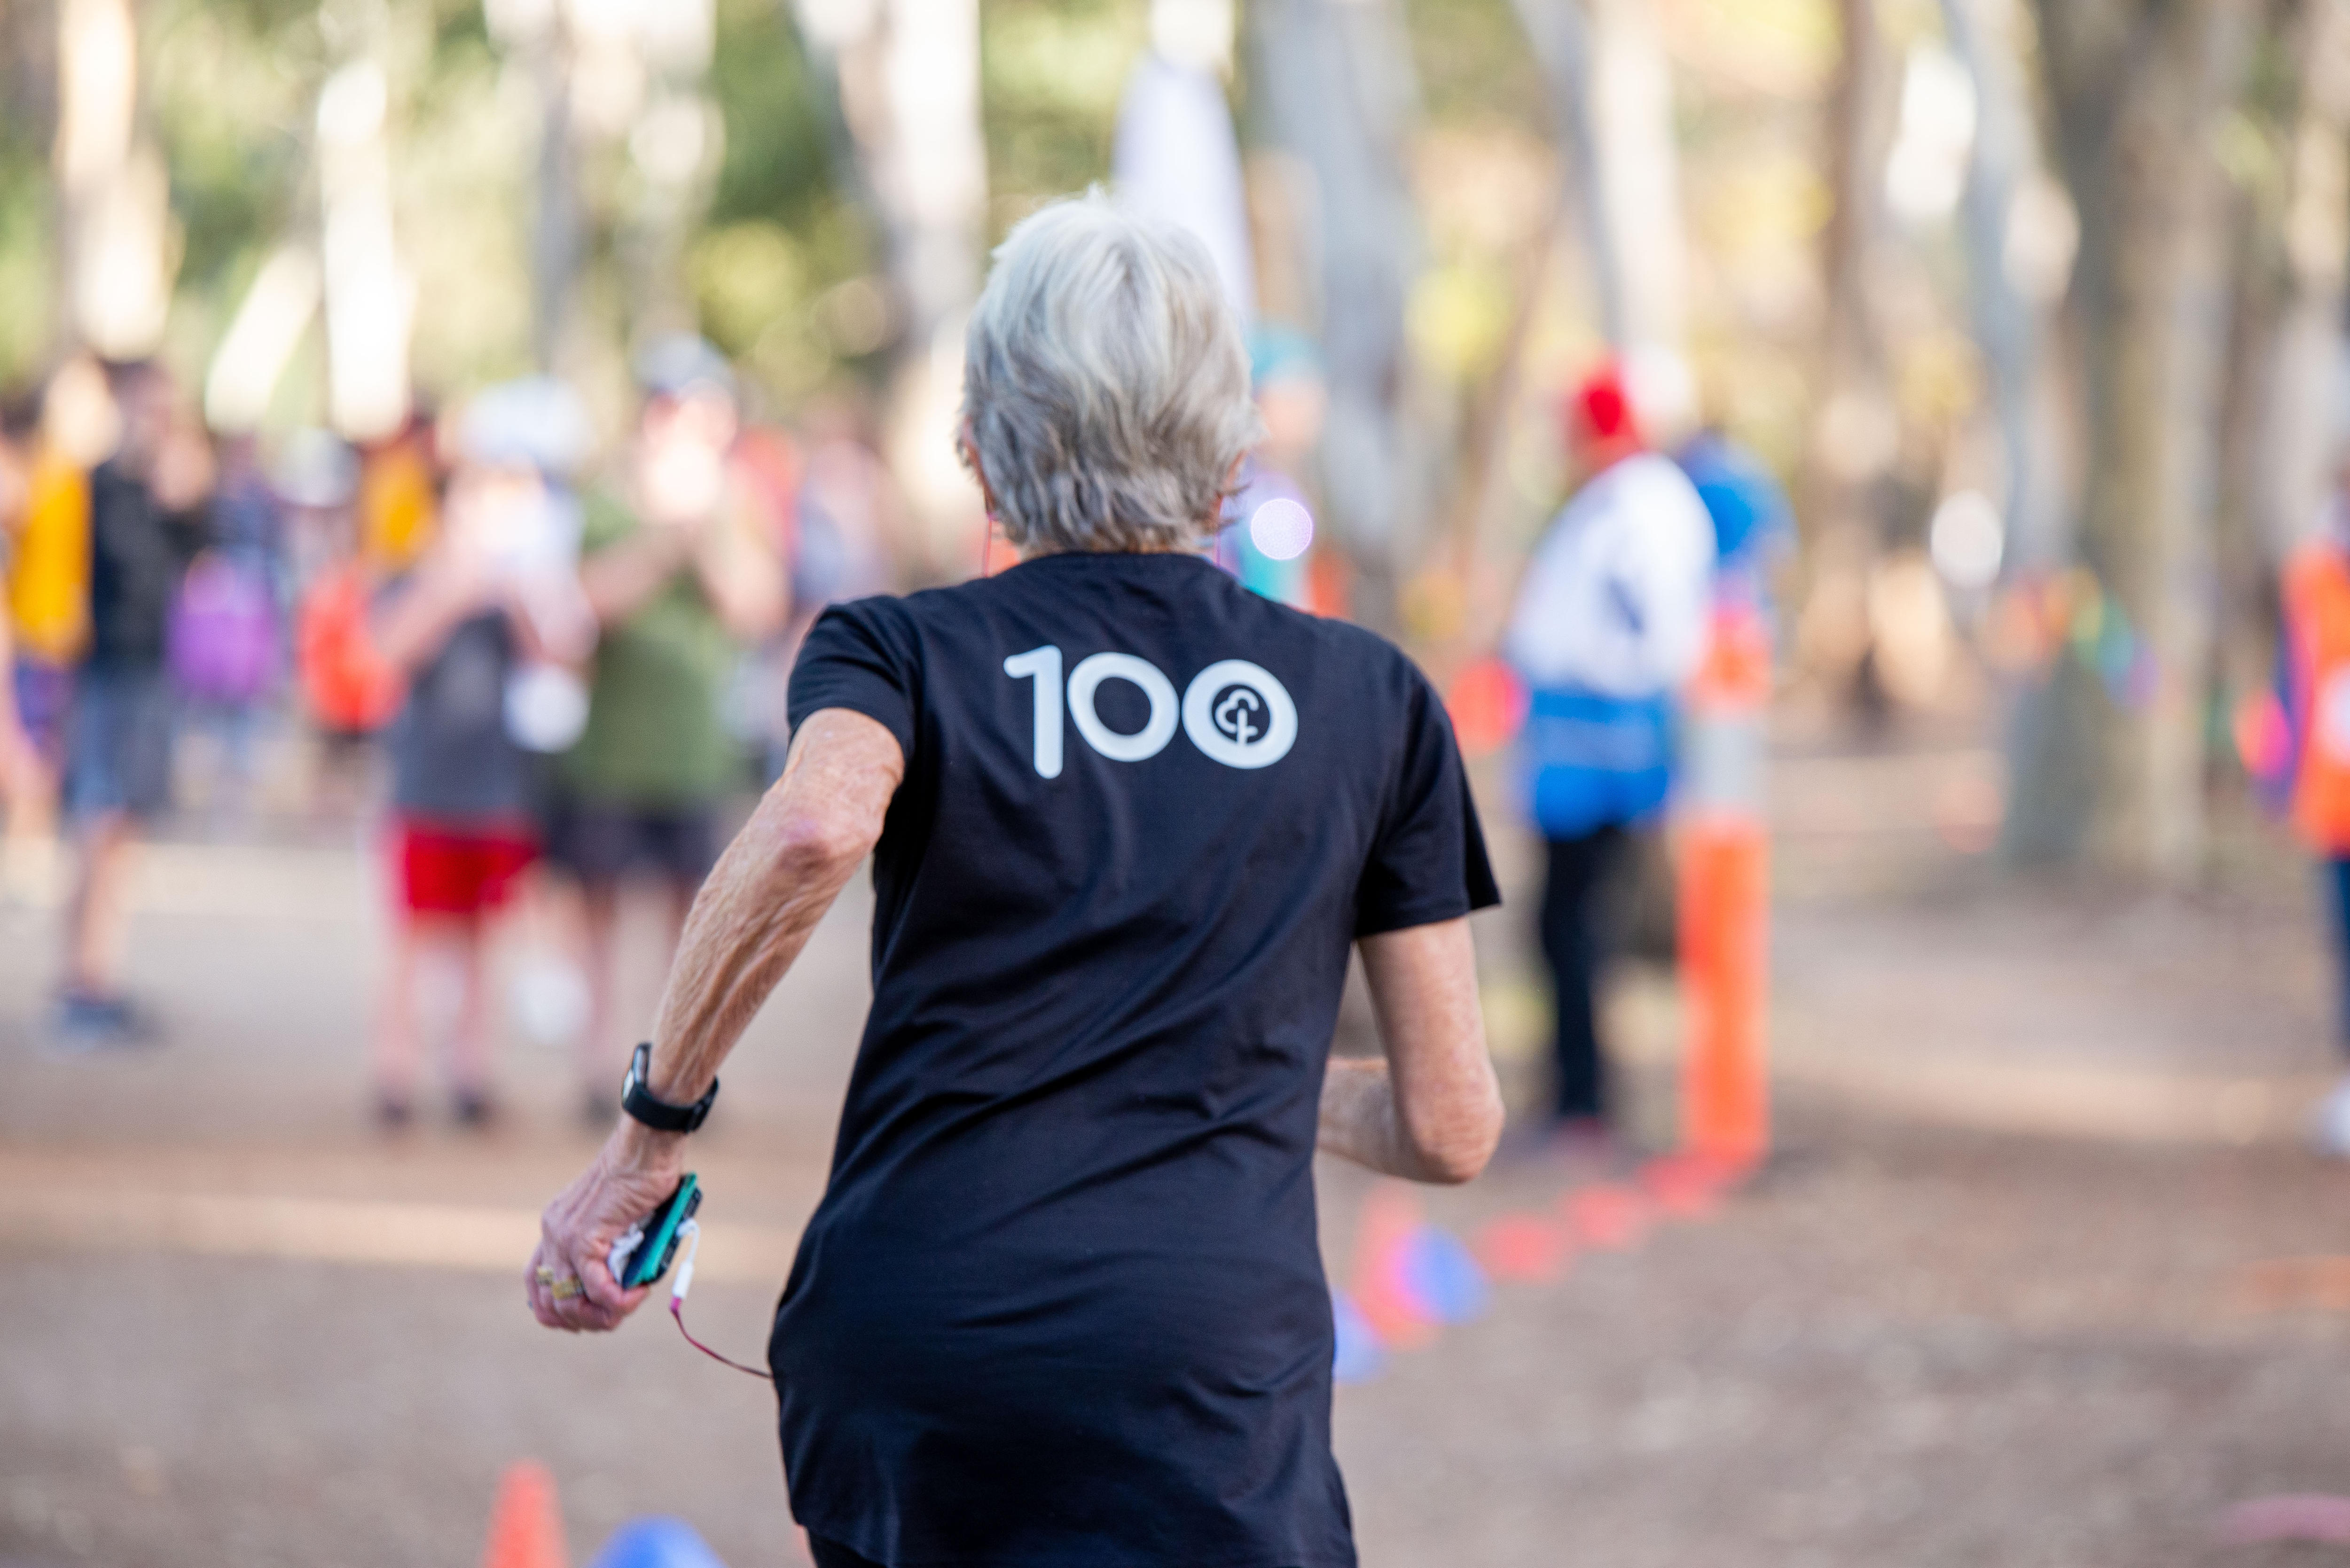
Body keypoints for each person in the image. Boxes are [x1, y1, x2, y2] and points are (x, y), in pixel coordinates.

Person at [526, 196, 1505, 1568]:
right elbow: (1450, 1126)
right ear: (1233, 461)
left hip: (919, 1335)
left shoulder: (900, 650)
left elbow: (815, 828)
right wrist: (1237, 1065)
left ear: (980, 452)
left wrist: (651, 1138)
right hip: (1206, 1374)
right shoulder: (1374, 697)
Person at [548, 338, 784, 1121]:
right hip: (612, 749)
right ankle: (597, 1063)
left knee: (694, 919)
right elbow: (588, 606)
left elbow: (756, 606)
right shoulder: (603, 498)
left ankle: (678, 1069)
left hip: (695, 753)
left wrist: (704, 528)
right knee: (598, 911)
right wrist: (666, 535)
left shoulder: (736, 502)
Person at [370, 381, 593, 1126]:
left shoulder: (529, 578)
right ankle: (396, 1068)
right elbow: (388, 652)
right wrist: (455, 586)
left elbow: (559, 661)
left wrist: (522, 590)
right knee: (414, 933)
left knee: (482, 936)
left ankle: (472, 1069)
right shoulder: (420, 569)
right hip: (425, 783)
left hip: (498, 784)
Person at [1504, 363, 1716, 1138]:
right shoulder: (1618, 502)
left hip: (1602, 736)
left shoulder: (1639, 506)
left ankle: (1585, 1100)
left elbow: (1640, 632)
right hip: (1578, 733)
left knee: (1576, 923)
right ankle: (1573, 1090)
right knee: (1564, 922)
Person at [54, 361, 214, 1045]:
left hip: (149, 675)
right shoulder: (95, 487)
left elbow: (198, 563)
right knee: (98, 820)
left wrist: (188, 498)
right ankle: (82, 979)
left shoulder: (163, 492)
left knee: (121, 830)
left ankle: (100, 972)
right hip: (105, 674)